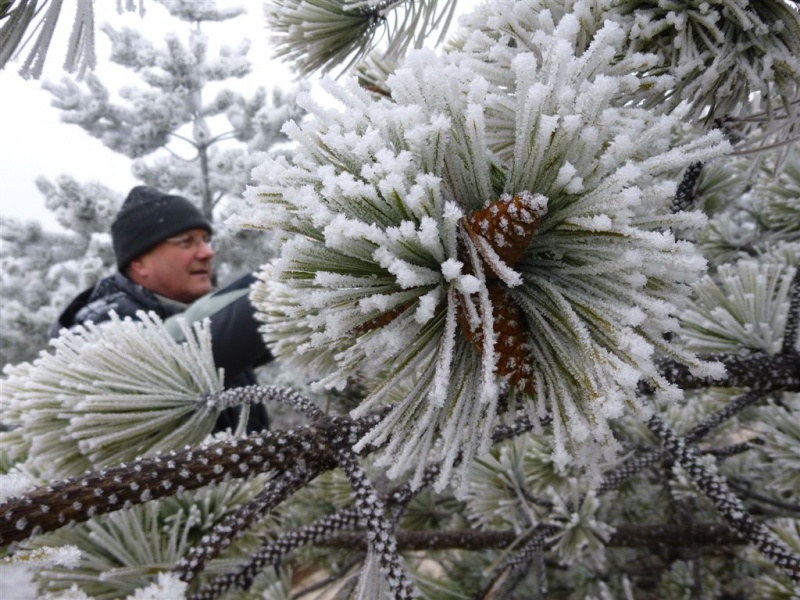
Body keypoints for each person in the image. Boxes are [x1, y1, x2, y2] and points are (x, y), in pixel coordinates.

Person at [50, 185, 271, 433]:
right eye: (187, 242)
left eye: (206, 240)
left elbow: (253, 332)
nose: (208, 252)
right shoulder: (100, 322)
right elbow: (175, 355)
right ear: (140, 262)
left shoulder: (192, 311)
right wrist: (282, 286)